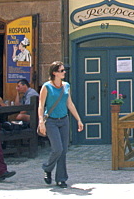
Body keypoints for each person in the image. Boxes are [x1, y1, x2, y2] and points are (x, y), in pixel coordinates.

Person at [37, 61, 84, 189]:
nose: (64, 72)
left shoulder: (66, 86)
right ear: (54, 73)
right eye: (62, 70)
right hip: (51, 121)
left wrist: (78, 119)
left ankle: (61, 178)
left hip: (64, 120)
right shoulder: (46, 87)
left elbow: (70, 104)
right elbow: (41, 105)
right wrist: (41, 122)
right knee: (57, 148)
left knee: (63, 150)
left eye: (64, 70)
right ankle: (47, 168)